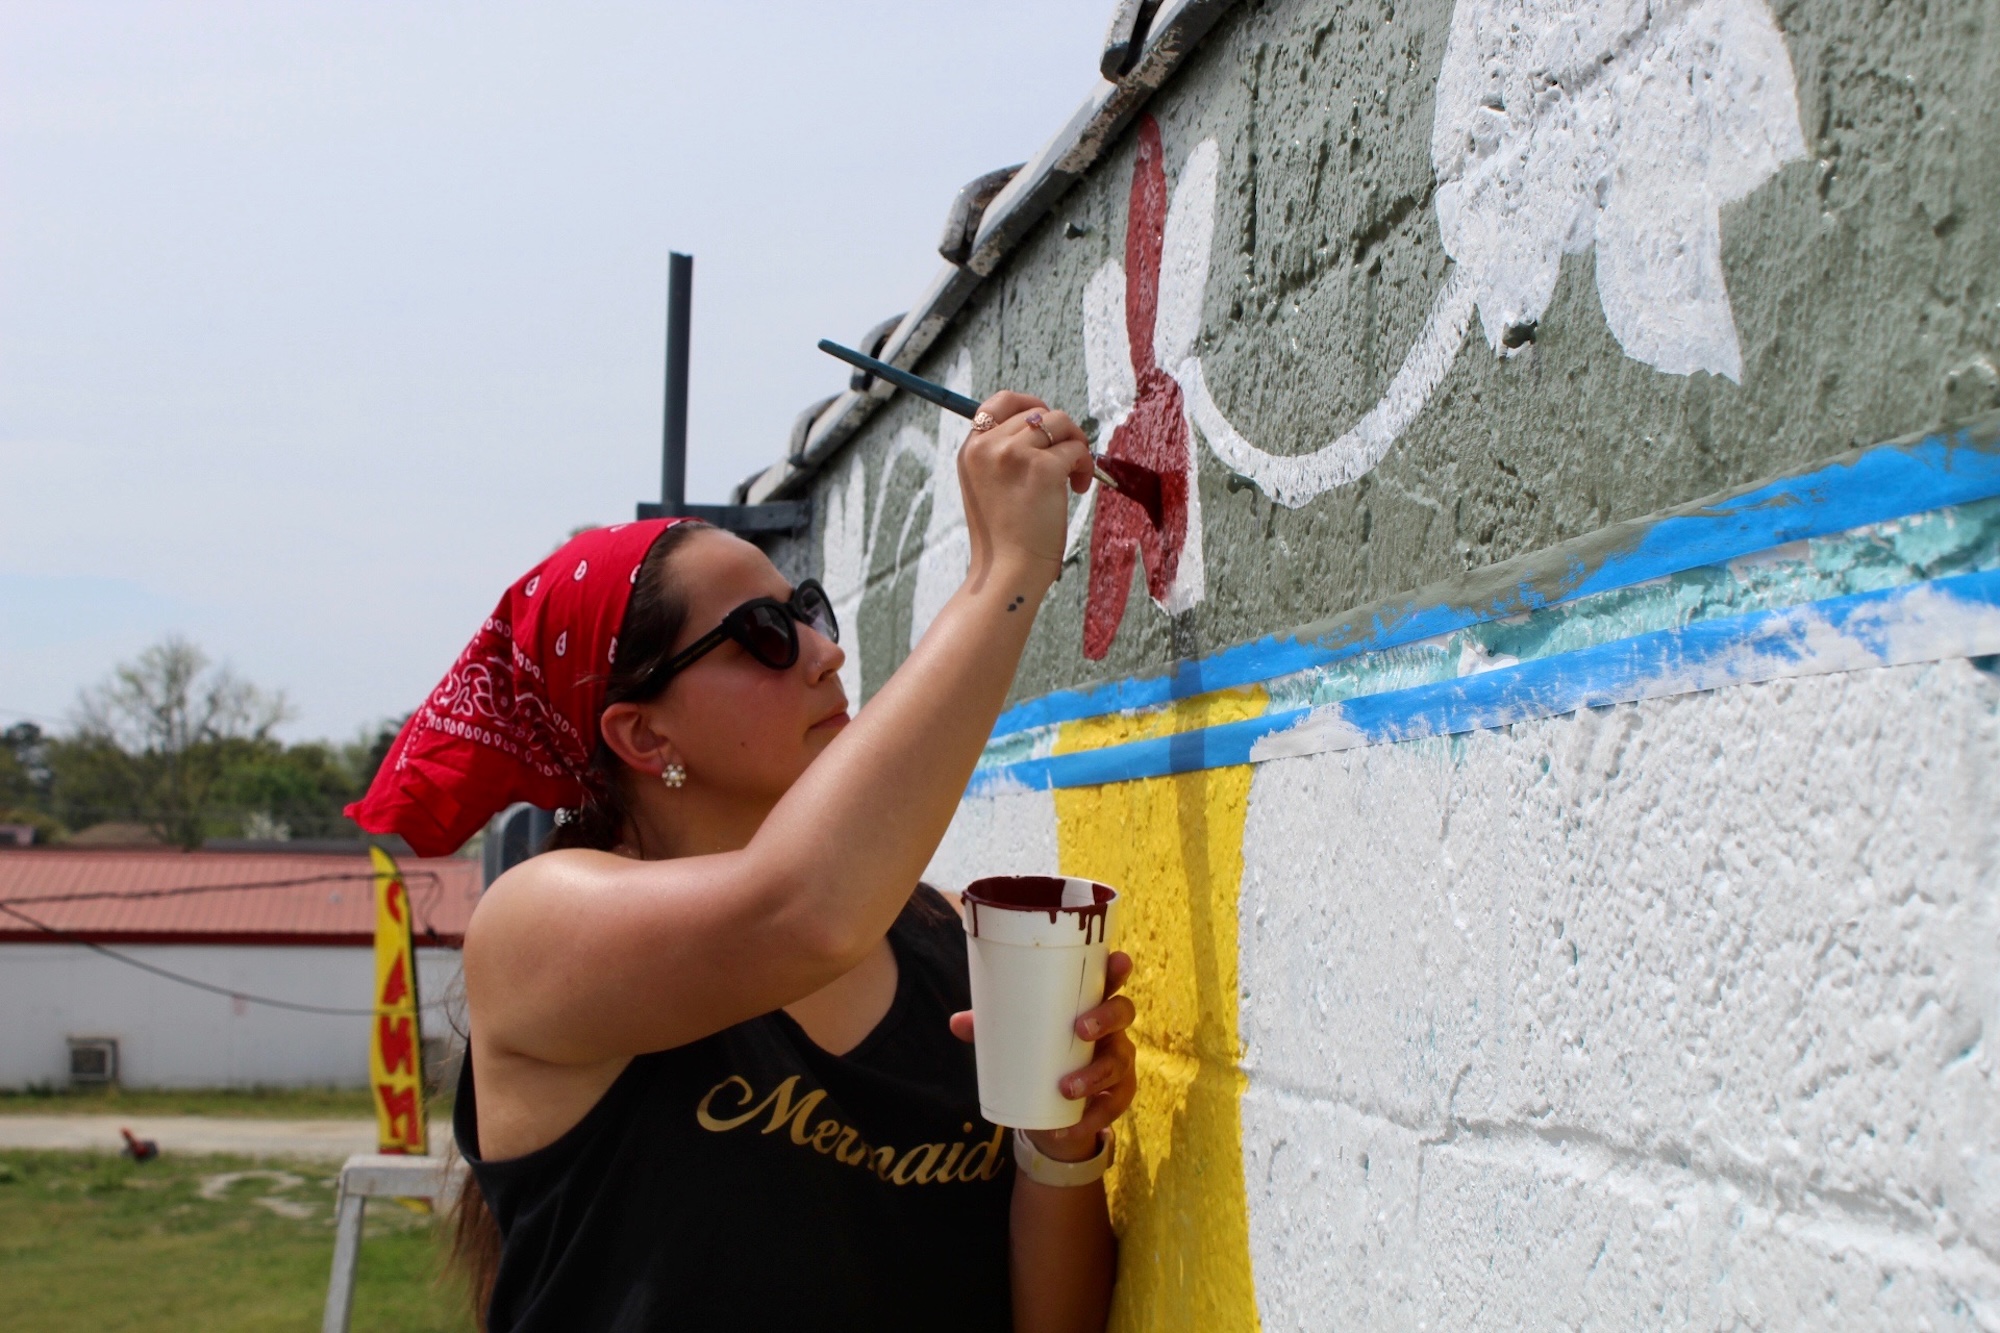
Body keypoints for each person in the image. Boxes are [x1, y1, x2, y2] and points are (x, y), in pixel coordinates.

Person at [347, 392, 1139, 1332]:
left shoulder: (939, 943)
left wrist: (1058, 1150)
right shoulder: (534, 928)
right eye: (763, 635)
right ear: (643, 734)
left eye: (806, 609)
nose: (826, 653)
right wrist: (1004, 572)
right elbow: (802, 914)